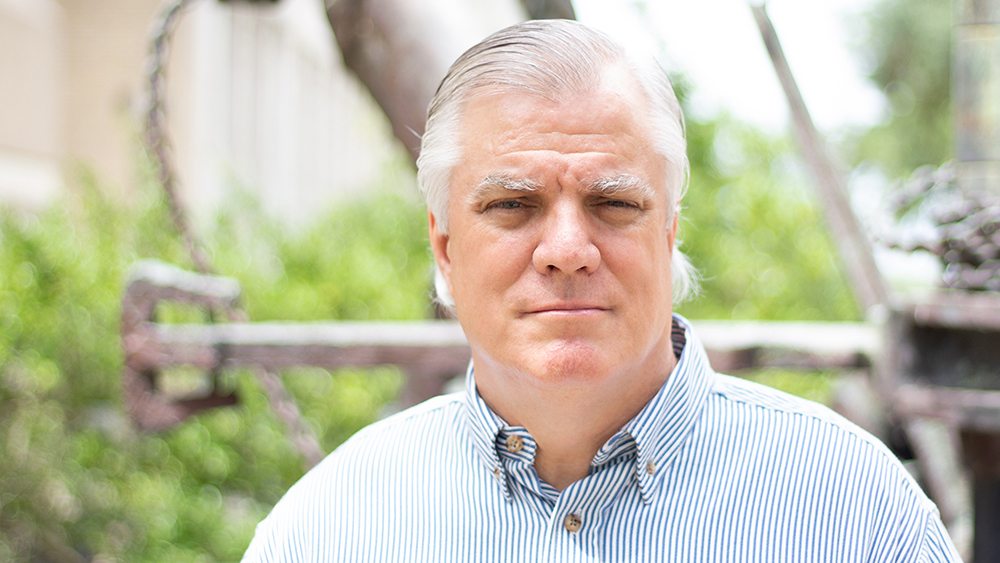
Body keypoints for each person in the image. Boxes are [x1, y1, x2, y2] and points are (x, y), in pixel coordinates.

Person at [242, 19, 960, 562]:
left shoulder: (857, 515)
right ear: (445, 245)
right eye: (512, 205)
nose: (565, 251)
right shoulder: (324, 530)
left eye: (613, 203)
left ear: (670, 231)